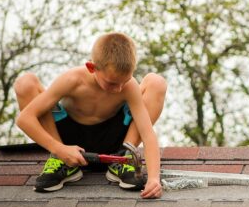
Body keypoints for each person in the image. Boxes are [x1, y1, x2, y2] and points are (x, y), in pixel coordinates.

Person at [14, 32, 167, 198]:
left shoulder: (128, 87)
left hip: (114, 140)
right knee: (25, 83)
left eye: (125, 81)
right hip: (68, 141)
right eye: (112, 83)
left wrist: (153, 179)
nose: (119, 89)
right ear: (91, 68)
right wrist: (58, 149)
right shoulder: (72, 80)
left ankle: (124, 157)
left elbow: (148, 134)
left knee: (156, 82)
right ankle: (60, 160)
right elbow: (24, 119)